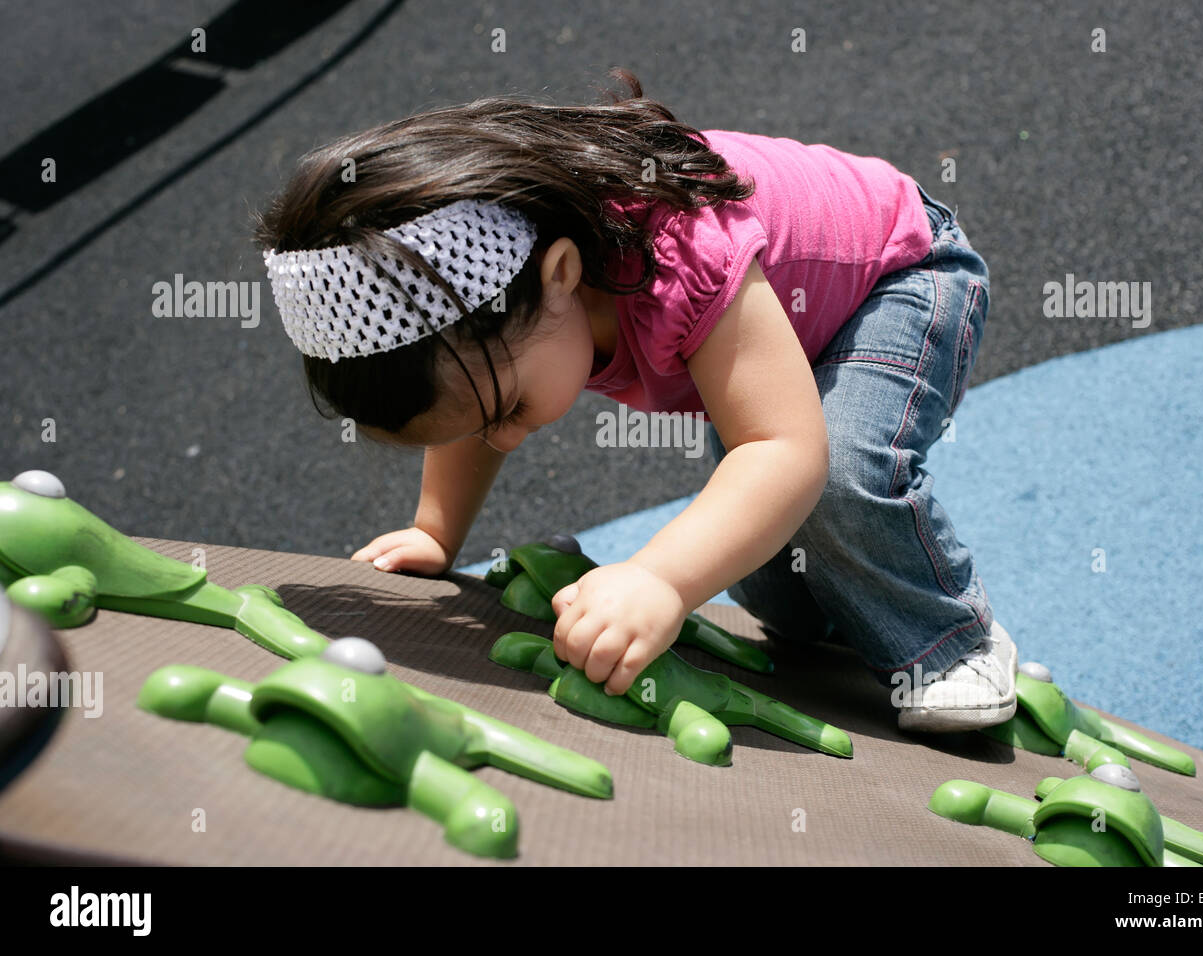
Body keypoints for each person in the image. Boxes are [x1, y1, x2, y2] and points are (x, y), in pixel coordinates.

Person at [254, 68, 1016, 732]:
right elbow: (467, 414)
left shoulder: (679, 258)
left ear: (559, 274)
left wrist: (658, 579)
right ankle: (854, 607)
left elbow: (783, 450)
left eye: (508, 410)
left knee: (838, 468)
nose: (505, 438)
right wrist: (436, 531)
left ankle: (951, 641)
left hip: (895, 274)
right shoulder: (513, 310)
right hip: (776, 322)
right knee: (784, 596)